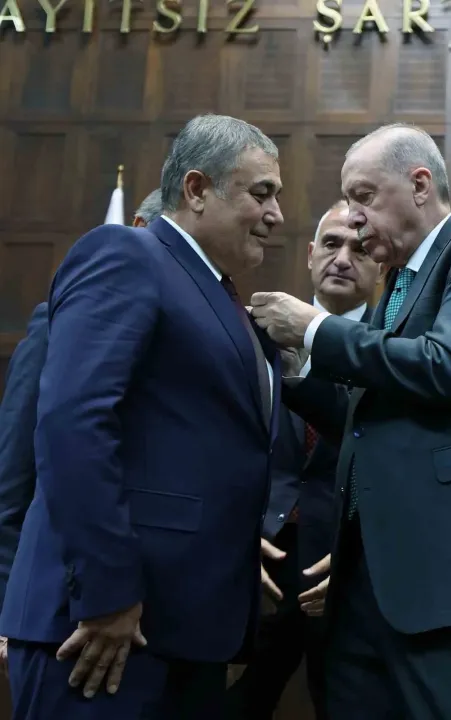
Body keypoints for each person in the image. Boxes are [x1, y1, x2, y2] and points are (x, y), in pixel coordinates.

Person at [251, 123, 451, 720]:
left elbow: (446, 367)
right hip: (369, 594)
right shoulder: (396, 287)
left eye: (364, 197)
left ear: (419, 185)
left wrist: (315, 329)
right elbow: (368, 419)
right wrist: (298, 371)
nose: (354, 218)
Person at [0, 114, 284, 719]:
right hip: (103, 628)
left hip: (182, 632)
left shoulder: (218, 295)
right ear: (197, 189)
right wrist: (106, 592)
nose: (276, 214)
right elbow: (74, 423)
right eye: (261, 193)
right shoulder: (127, 254)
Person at [227, 200, 380, 719]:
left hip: (347, 566)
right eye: (332, 244)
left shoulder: (393, 345)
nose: (343, 258)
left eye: (360, 249)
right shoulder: (252, 333)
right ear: (311, 253)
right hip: (260, 560)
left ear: (381, 265)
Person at [0, 189, 164, 670]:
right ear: (138, 229)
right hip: (58, 612)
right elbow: (13, 481)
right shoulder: (62, 321)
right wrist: (6, 607)